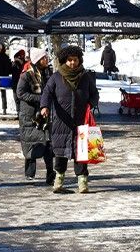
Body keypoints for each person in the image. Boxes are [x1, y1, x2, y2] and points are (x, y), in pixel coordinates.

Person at [41, 45, 100, 194]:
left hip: (81, 122)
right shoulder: (56, 77)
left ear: (79, 60)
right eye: (69, 60)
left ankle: (83, 184)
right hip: (62, 122)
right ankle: (58, 182)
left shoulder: (85, 77)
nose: (72, 63)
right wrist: (44, 106)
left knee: (81, 153)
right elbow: (47, 93)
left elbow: (94, 94)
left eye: (75, 60)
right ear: (64, 61)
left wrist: (90, 104)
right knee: (60, 153)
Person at [16, 48, 54, 183]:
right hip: (30, 114)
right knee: (31, 142)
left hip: (45, 113)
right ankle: (30, 173)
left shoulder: (48, 73)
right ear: (38, 60)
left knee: (48, 143)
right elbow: (20, 93)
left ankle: (51, 173)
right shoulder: (27, 75)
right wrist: (40, 98)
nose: (46, 60)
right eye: (44, 58)